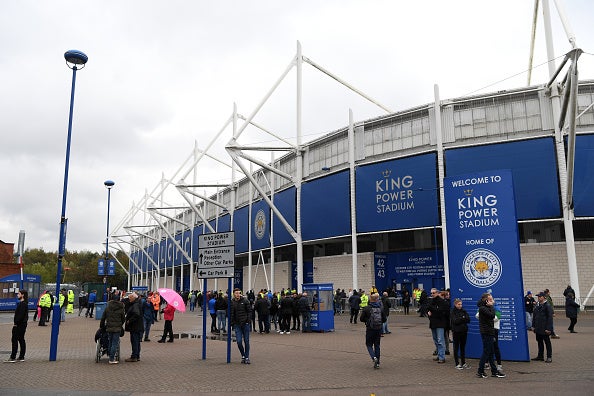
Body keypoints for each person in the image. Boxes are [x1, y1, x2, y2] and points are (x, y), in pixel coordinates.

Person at [476, 292, 506, 378]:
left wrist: (491, 306)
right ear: (486, 300)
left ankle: (494, 371)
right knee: (486, 352)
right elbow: (492, 315)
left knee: (491, 351)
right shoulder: (483, 308)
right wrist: (491, 306)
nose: (492, 301)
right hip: (487, 332)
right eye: (490, 299)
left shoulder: (486, 308)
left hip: (490, 331)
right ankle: (480, 371)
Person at [359, 292, 386, 369]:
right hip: (378, 328)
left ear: (370, 300)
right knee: (377, 345)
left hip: (370, 329)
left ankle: (373, 357)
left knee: (369, 344)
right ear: (377, 299)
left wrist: (367, 321)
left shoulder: (367, 308)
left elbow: (361, 319)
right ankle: (378, 363)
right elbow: (384, 319)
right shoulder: (380, 308)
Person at [99, 296, 125, 364]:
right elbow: (123, 319)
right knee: (115, 343)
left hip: (109, 327)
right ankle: (111, 358)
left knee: (110, 341)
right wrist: (120, 324)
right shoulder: (121, 308)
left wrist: (102, 326)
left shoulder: (108, 308)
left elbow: (103, 318)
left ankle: (110, 354)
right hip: (117, 328)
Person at [426, 288, 449, 364]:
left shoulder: (442, 302)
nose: (432, 294)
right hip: (433, 323)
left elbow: (439, 311)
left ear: (437, 293)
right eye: (431, 293)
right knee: (436, 340)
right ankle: (439, 355)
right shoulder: (431, 301)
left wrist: (432, 310)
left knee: (440, 340)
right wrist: (430, 313)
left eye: (433, 293)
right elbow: (428, 310)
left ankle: (442, 357)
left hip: (440, 323)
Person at [5, 290, 28, 363]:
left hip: (19, 325)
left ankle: (13, 357)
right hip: (23, 324)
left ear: (23, 295)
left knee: (14, 340)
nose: (17, 295)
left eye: (19, 294)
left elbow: (20, 316)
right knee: (21, 339)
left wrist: (16, 323)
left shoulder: (22, 304)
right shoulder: (24, 304)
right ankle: (21, 356)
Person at [230, 288, 252, 364]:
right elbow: (231, 313)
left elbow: (249, 311)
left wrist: (248, 321)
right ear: (233, 294)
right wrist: (232, 323)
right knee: (239, 341)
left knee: (246, 341)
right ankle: (243, 355)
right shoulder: (232, 302)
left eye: (239, 293)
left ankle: (247, 357)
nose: (238, 294)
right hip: (237, 324)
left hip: (245, 324)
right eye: (236, 293)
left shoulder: (245, 301)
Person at [531, 291, 553, 363]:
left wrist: (549, 328)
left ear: (544, 297)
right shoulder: (537, 305)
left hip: (545, 328)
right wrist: (533, 326)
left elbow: (550, 318)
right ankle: (540, 356)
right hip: (538, 328)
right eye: (538, 296)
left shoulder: (547, 306)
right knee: (539, 342)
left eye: (540, 296)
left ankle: (549, 357)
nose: (539, 298)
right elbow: (534, 316)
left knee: (547, 342)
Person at [450, 298, 470, 369]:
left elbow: (468, 319)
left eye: (461, 304)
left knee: (462, 347)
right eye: (459, 304)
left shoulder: (464, 311)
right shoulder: (453, 312)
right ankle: (457, 363)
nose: (460, 306)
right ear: (455, 304)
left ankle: (463, 362)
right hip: (456, 331)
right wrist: (462, 318)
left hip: (464, 331)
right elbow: (455, 321)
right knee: (456, 347)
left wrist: (461, 318)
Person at [124, 292, 144, 362]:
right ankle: (137, 355)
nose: (129, 299)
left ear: (133, 298)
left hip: (135, 326)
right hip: (138, 326)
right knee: (137, 341)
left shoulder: (135, 305)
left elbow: (136, 314)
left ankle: (134, 356)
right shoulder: (138, 303)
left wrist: (130, 320)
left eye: (130, 298)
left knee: (134, 341)